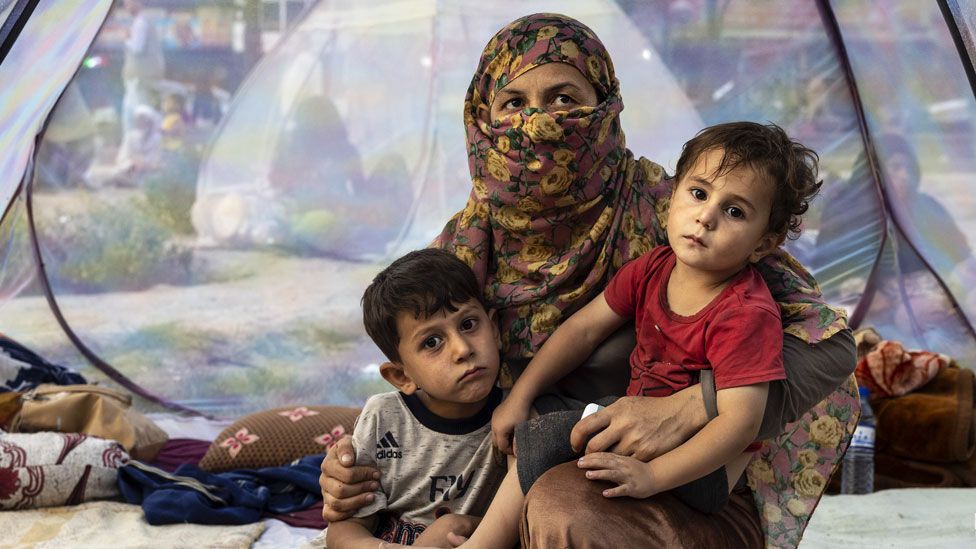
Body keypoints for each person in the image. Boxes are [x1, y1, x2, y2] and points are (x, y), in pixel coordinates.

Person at [322, 13, 857, 547]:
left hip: (679, 486)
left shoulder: (674, 218)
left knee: (560, 502)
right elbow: (422, 377)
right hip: (519, 485)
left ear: (604, 105)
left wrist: (692, 405)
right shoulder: (468, 248)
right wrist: (350, 472)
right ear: (483, 121)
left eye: (563, 99)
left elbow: (831, 348)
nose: (539, 123)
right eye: (514, 104)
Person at [404, 121, 820, 549]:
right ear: (673, 196)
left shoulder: (744, 313)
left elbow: (740, 423)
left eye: (735, 211)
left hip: (704, 469)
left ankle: (481, 546)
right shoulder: (653, 269)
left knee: (545, 436)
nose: (707, 216)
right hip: (640, 425)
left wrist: (653, 476)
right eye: (698, 193)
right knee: (539, 412)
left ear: (762, 245)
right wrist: (520, 395)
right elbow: (582, 330)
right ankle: (496, 526)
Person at [323, 248, 507, 548]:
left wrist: (461, 525)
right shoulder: (383, 418)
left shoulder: (513, 417)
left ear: (495, 329)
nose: (462, 349)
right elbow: (345, 531)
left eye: (469, 324)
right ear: (402, 377)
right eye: (432, 342)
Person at [120, 0, 164, 136]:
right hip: (140, 79)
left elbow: (137, 48)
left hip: (139, 80)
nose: (125, 5)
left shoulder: (141, 23)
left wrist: (126, 38)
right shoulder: (142, 22)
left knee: (135, 117)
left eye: (128, 2)